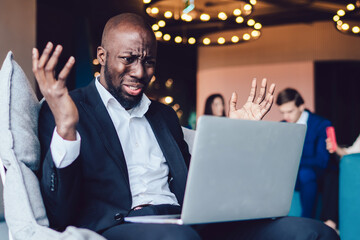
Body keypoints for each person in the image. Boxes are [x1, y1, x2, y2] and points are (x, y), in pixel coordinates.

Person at [33, 13, 338, 240]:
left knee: (311, 232)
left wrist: (235, 137)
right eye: (128, 59)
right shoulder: (65, 110)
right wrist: (67, 129)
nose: (140, 72)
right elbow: (59, 210)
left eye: (148, 61)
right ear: (102, 56)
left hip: (185, 219)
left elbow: (202, 186)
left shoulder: (164, 117)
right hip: (120, 225)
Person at [276, 88, 332, 219]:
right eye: (282, 112)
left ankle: (307, 220)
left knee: (305, 172)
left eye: (289, 111)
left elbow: (322, 161)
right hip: (290, 176)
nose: (285, 117)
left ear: (301, 106)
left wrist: (293, 162)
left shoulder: (321, 124)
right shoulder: (282, 126)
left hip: (314, 175)